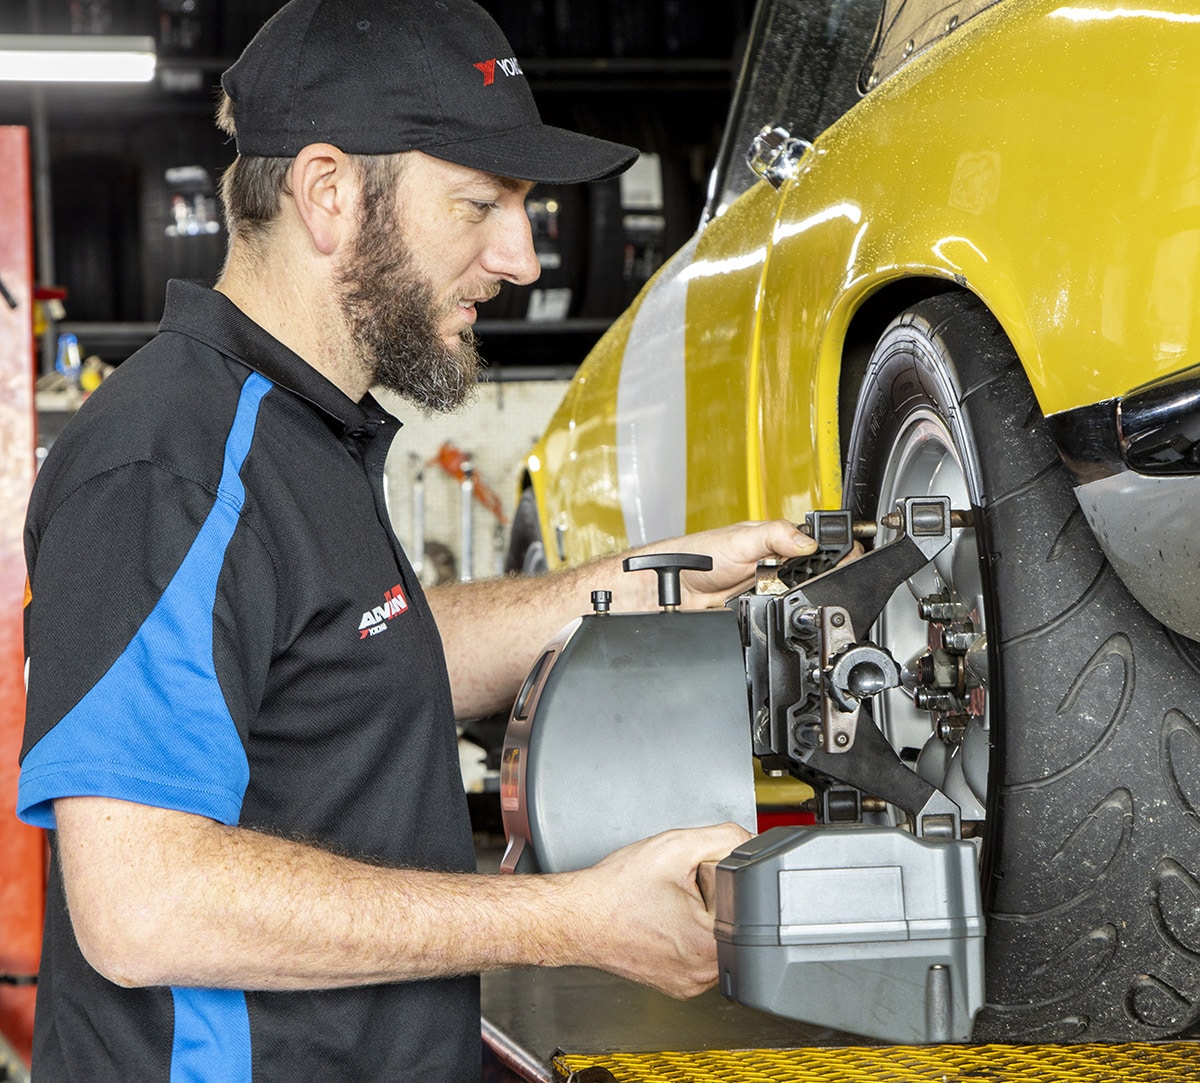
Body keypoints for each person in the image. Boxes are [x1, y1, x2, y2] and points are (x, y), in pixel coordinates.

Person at [16, 0, 819, 1078]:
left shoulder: (296, 434)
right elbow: (143, 904)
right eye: (479, 204)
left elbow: (354, 667)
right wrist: (567, 920)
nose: (524, 258)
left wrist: (644, 587)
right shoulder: (170, 463)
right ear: (330, 193)